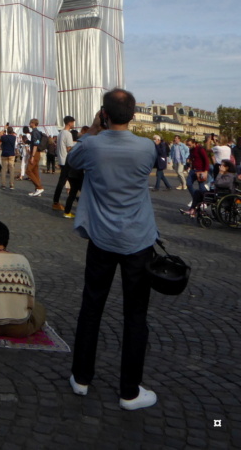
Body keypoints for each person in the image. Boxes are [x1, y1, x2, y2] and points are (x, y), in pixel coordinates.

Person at [68, 88, 159, 411]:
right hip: (138, 240)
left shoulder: (92, 145)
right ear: (133, 115)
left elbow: (71, 162)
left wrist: (94, 129)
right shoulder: (147, 147)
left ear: (103, 114)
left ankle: (81, 377)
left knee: (91, 307)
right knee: (135, 316)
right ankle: (129, 391)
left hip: (102, 238)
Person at [52, 116, 75, 211]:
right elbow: (69, 148)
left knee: (69, 182)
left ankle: (57, 201)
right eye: (73, 123)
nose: (74, 124)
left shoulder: (60, 133)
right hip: (67, 160)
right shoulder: (68, 134)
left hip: (62, 159)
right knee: (65, 182)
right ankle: (56, 202)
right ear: (69, 123)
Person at [26, 118, 44, 196]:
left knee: (28, 170)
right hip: (37, 153)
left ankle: (39, 187)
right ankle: (38, 189)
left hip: (35, 153)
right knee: (35, 171)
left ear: (33, 123)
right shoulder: (38, 132)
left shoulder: (34, 132)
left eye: (30, 123)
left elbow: (36, 144)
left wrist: (32, 156)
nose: (29, 124)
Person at [0, 126, 17, 190]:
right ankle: (11, 184)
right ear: (12, 132)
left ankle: (3, 184)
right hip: (11, 154)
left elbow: (0, 134)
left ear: (7, 131)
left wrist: (4, 129)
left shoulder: (3, 137)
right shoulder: (14, 137)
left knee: (4, 170)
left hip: (4, 154)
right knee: (12, 169)